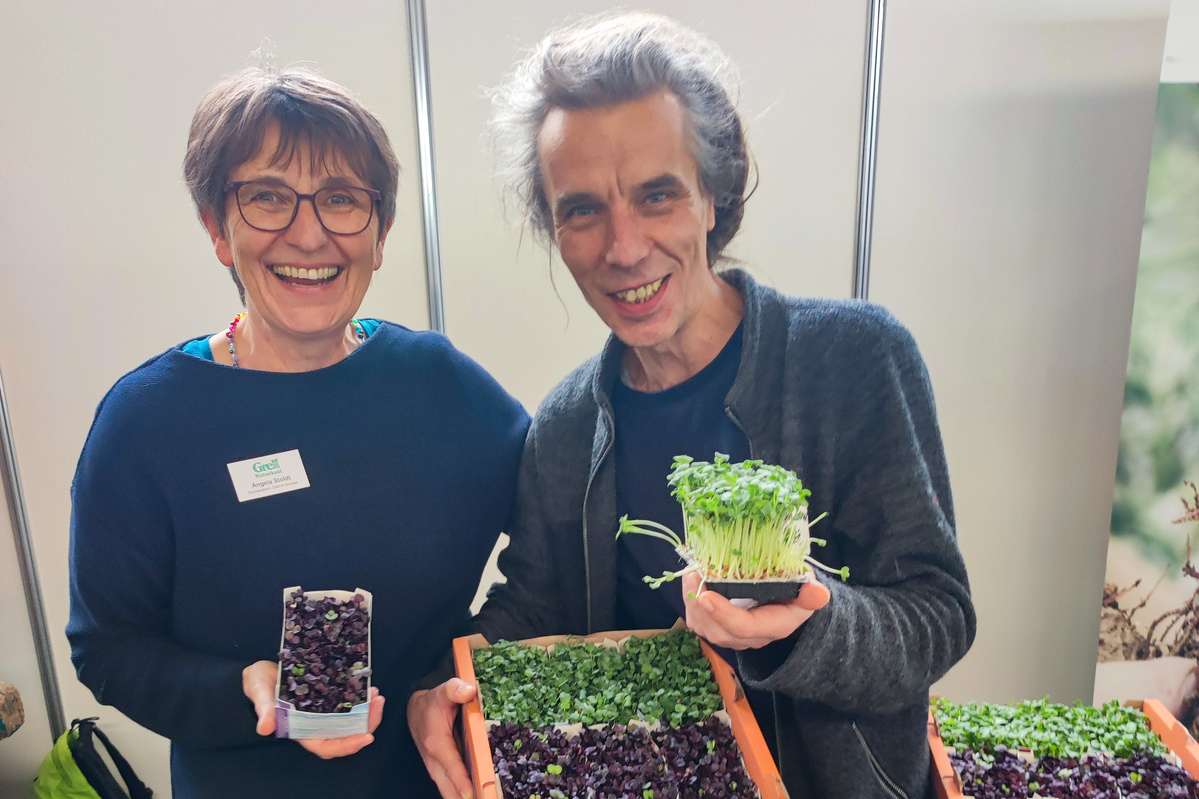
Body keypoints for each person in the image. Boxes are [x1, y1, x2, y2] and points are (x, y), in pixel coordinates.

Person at [408, 12, 975, 799]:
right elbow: (534, 604)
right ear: (554, 231)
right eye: (582, 209)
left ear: (713, 196)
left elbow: (938, 614)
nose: (624, 246)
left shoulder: (853, 358)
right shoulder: (568, 424)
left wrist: (808, 620)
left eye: (657, 195)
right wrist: (445, 683)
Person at [67, 66, 528, 799]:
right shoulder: (149, 422)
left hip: (441, 780)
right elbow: (108, 647)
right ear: (219, 228)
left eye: (341, 199)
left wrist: (461, 666)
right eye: (268, 198)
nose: (308, 233)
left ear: (379, 234)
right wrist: (239, 688)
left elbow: (555, 540)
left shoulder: (440, 385)